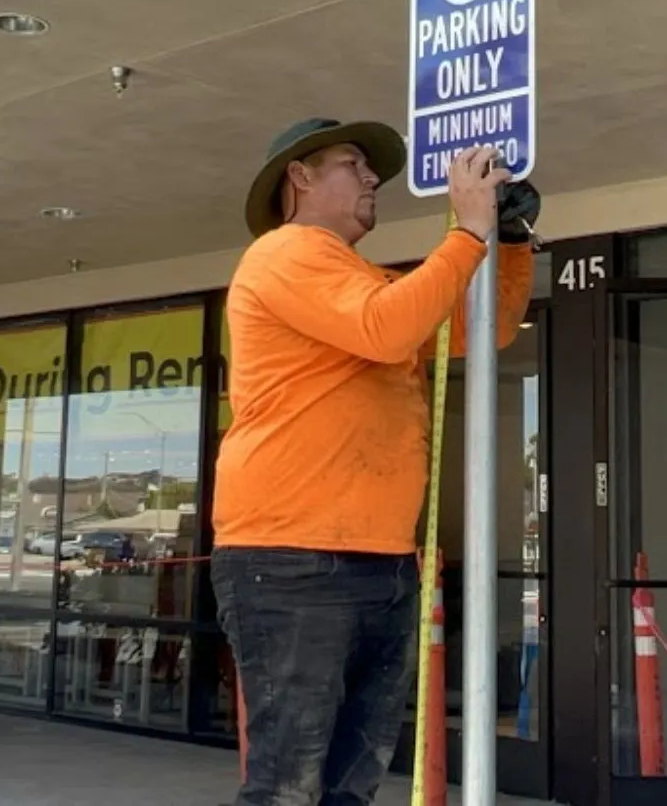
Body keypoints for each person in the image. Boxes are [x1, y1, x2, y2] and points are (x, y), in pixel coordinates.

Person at [213, 117, 538, 806]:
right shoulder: (284, 254)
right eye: (353, 164)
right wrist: (466, 232)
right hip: (293, 558)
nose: (371, 180)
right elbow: (388, 329)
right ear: (298, 178)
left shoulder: (363, 281)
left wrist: (506, 241)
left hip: (379, 561)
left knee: (349, 783)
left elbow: (488, 328)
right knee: (288, 785)